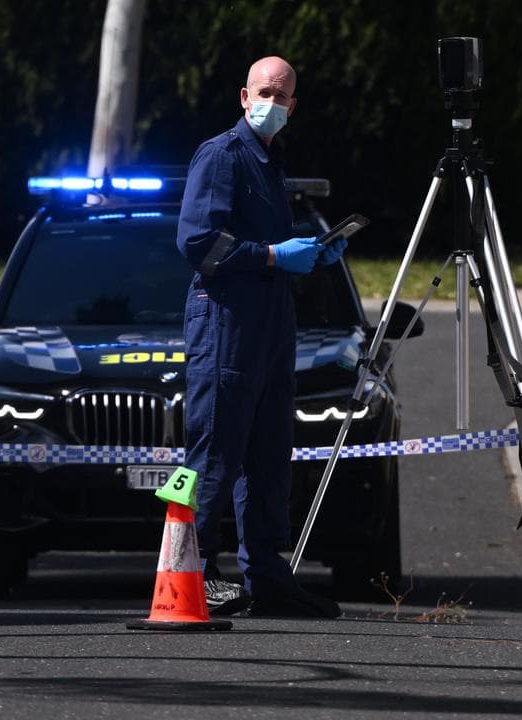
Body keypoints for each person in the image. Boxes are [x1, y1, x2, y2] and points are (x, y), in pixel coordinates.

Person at [175, 56, 347, 618]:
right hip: (225, 320)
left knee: (269, 455)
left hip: (268, 323)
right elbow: (200, 243)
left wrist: (312, 255)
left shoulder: (269, 160)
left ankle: (268, 579)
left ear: (293, 106)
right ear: (244, 97)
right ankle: (185, 577)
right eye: (263, 91)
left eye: (282, 94)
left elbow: (265, 250)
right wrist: (275, 254)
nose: (271, 101)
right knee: (211, 453)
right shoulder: (222, 155)